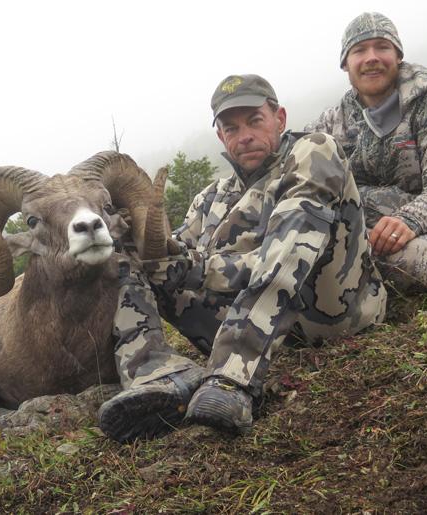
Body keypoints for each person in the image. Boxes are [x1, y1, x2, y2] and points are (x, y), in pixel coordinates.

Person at [98, 74, 387, 443]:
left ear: (279, 119)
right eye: (231, 128)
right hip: (265, 332)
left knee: (278, 247)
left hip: (331, 316)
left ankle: (232, 378)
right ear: (221, 136)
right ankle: (159, 375)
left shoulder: (313, 153)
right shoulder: (210, 198)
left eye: (255, 121)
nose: (245, 135)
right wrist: (136, 241)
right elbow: (176, 260)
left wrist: (198, 268)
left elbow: (286, 253)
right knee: (130, 257)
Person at [305, 12, 427, 292]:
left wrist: (408, 219)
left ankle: (327, 276)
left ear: (398, 56)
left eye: (382, 47)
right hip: (350, 230)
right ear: (345, 63)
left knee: (424, 265)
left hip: (425, 233)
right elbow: (296, 171)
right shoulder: (331, 123)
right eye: (359, 50)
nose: (372, 57)